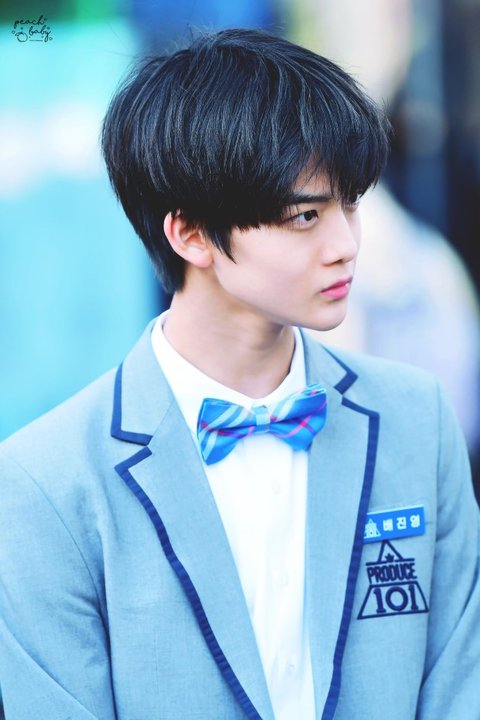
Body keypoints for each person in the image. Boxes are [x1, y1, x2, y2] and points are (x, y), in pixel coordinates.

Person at [0, 29, 478, 720]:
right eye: (305, 216)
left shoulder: (416, 419)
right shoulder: (44, 482)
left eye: (350, 205)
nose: (346, 245)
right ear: (191, 234)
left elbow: (461, 681)